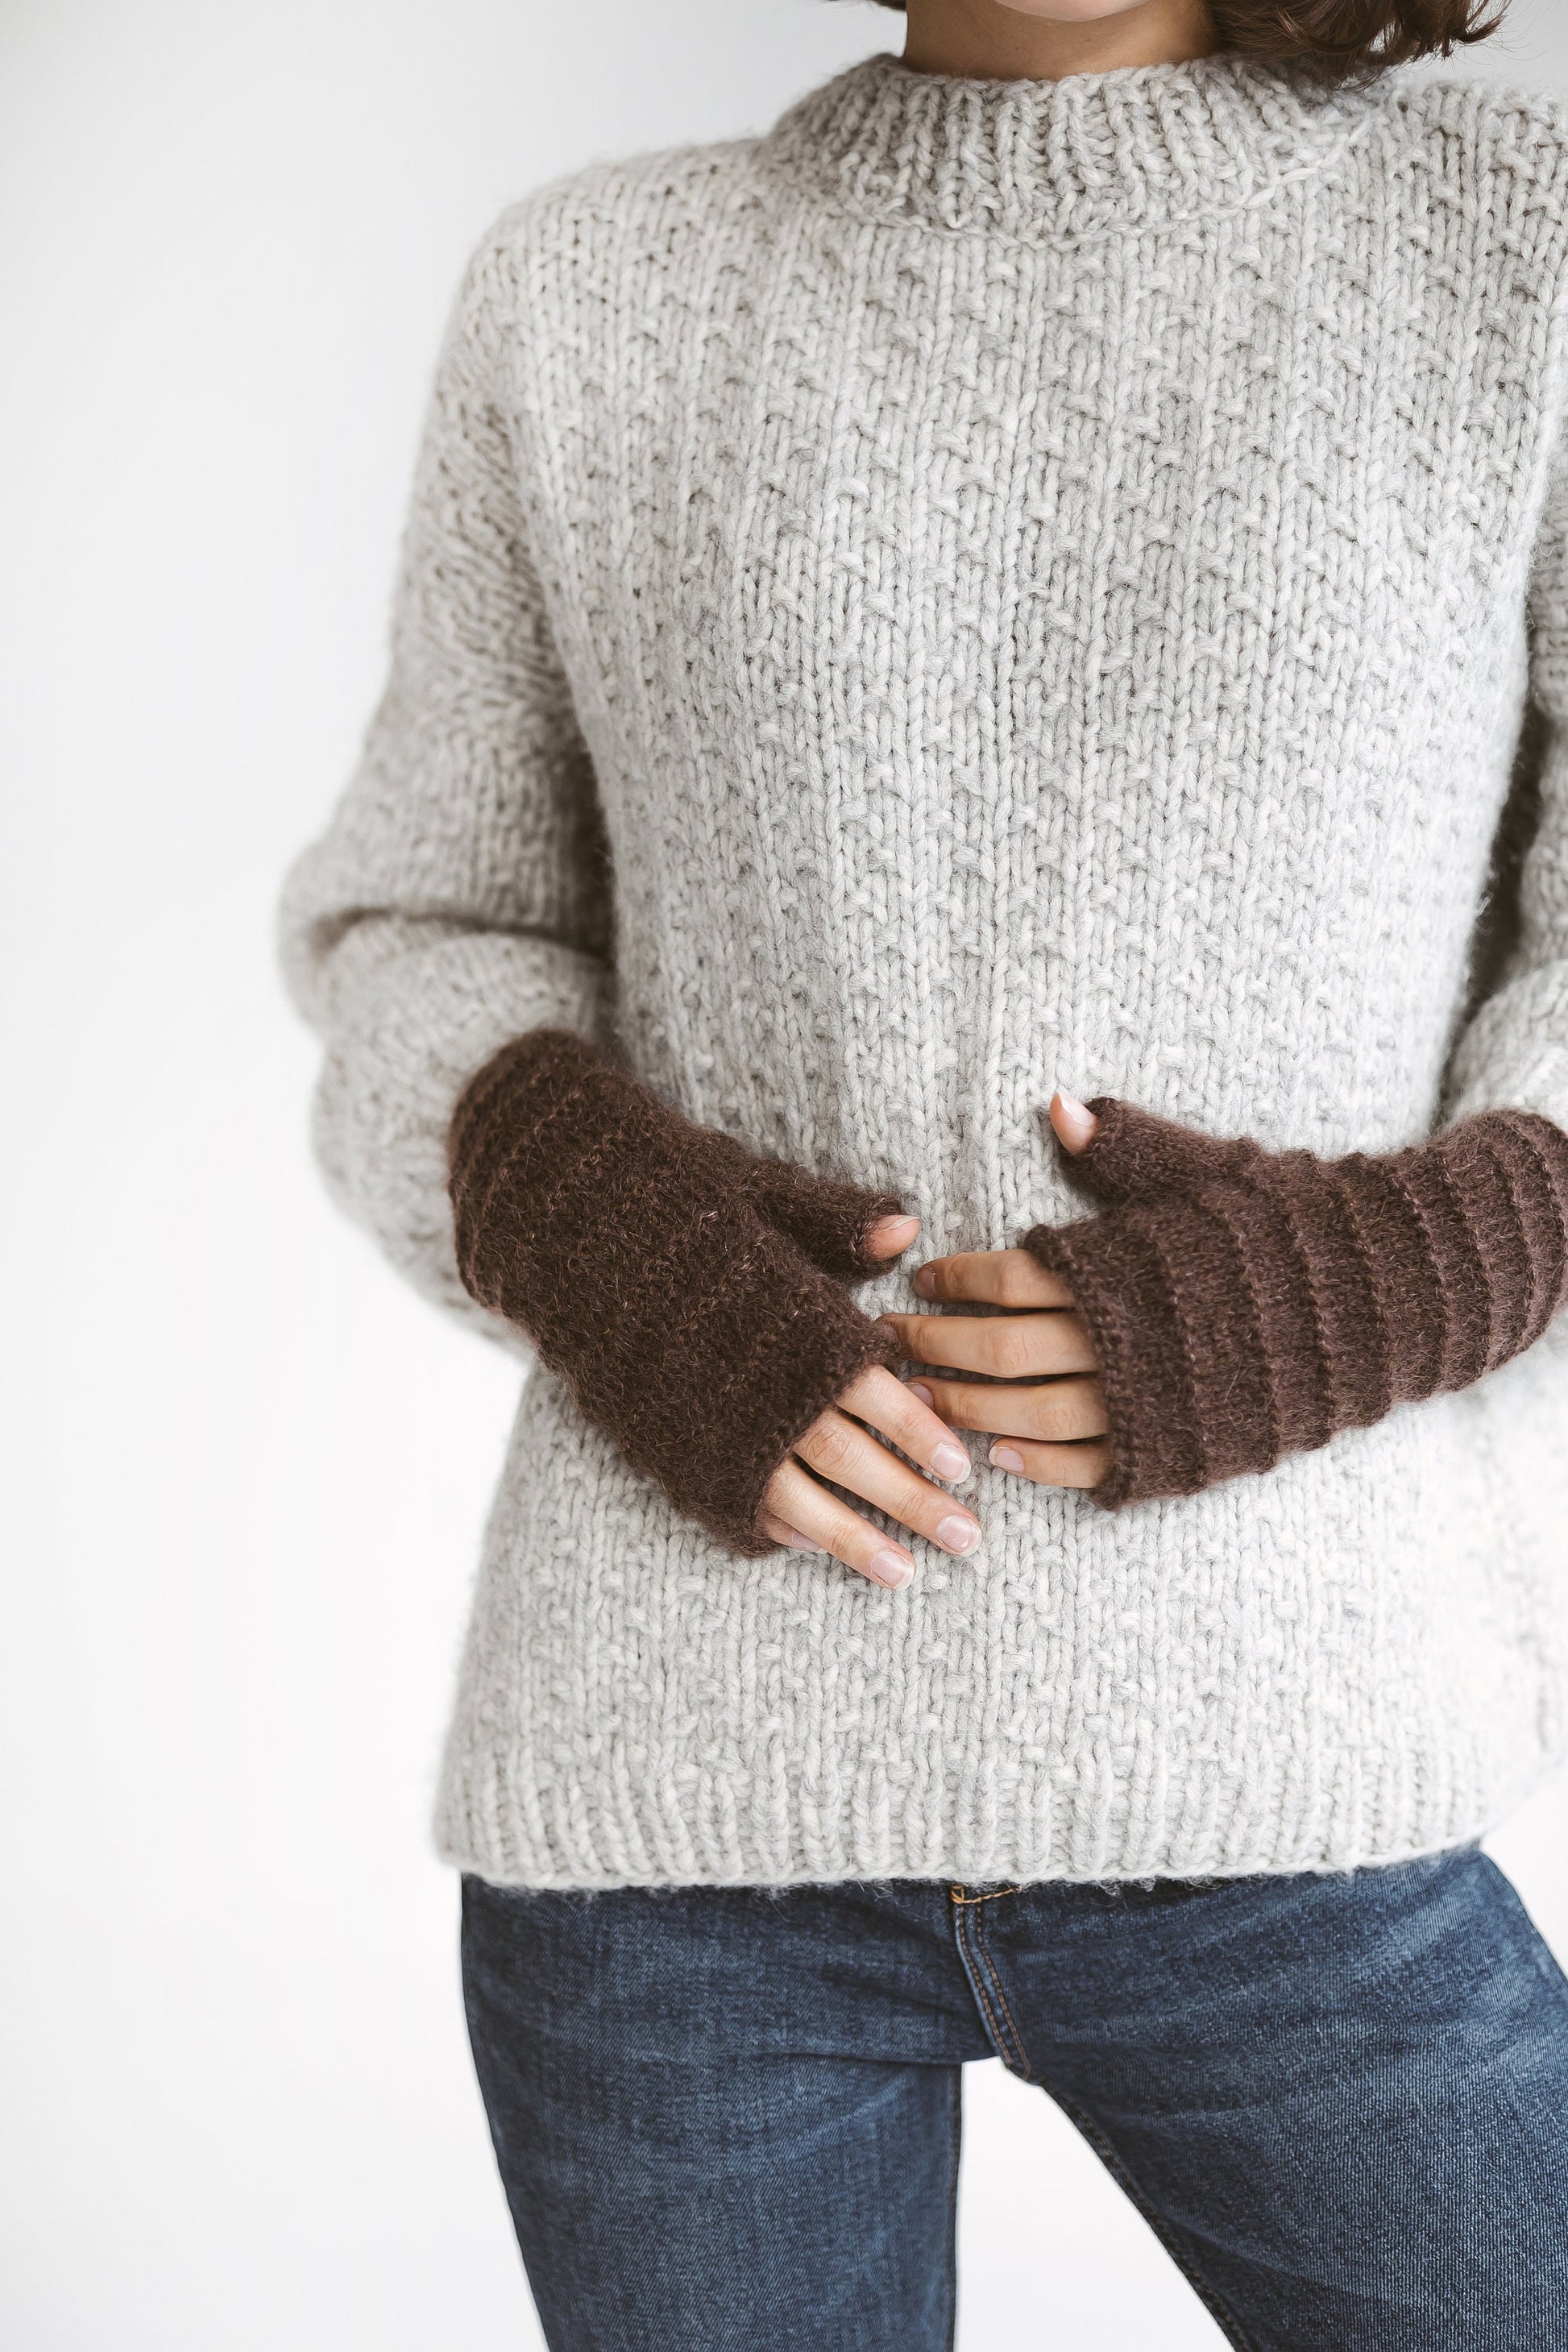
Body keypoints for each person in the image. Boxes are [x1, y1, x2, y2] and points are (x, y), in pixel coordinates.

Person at [279, 0, 1568, 2341]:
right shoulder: (586, 289)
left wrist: (1410, 1259)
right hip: (676, 1824)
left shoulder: (1519, 249)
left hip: (1291, 1779)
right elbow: (418, 932)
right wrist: (581, 1215)